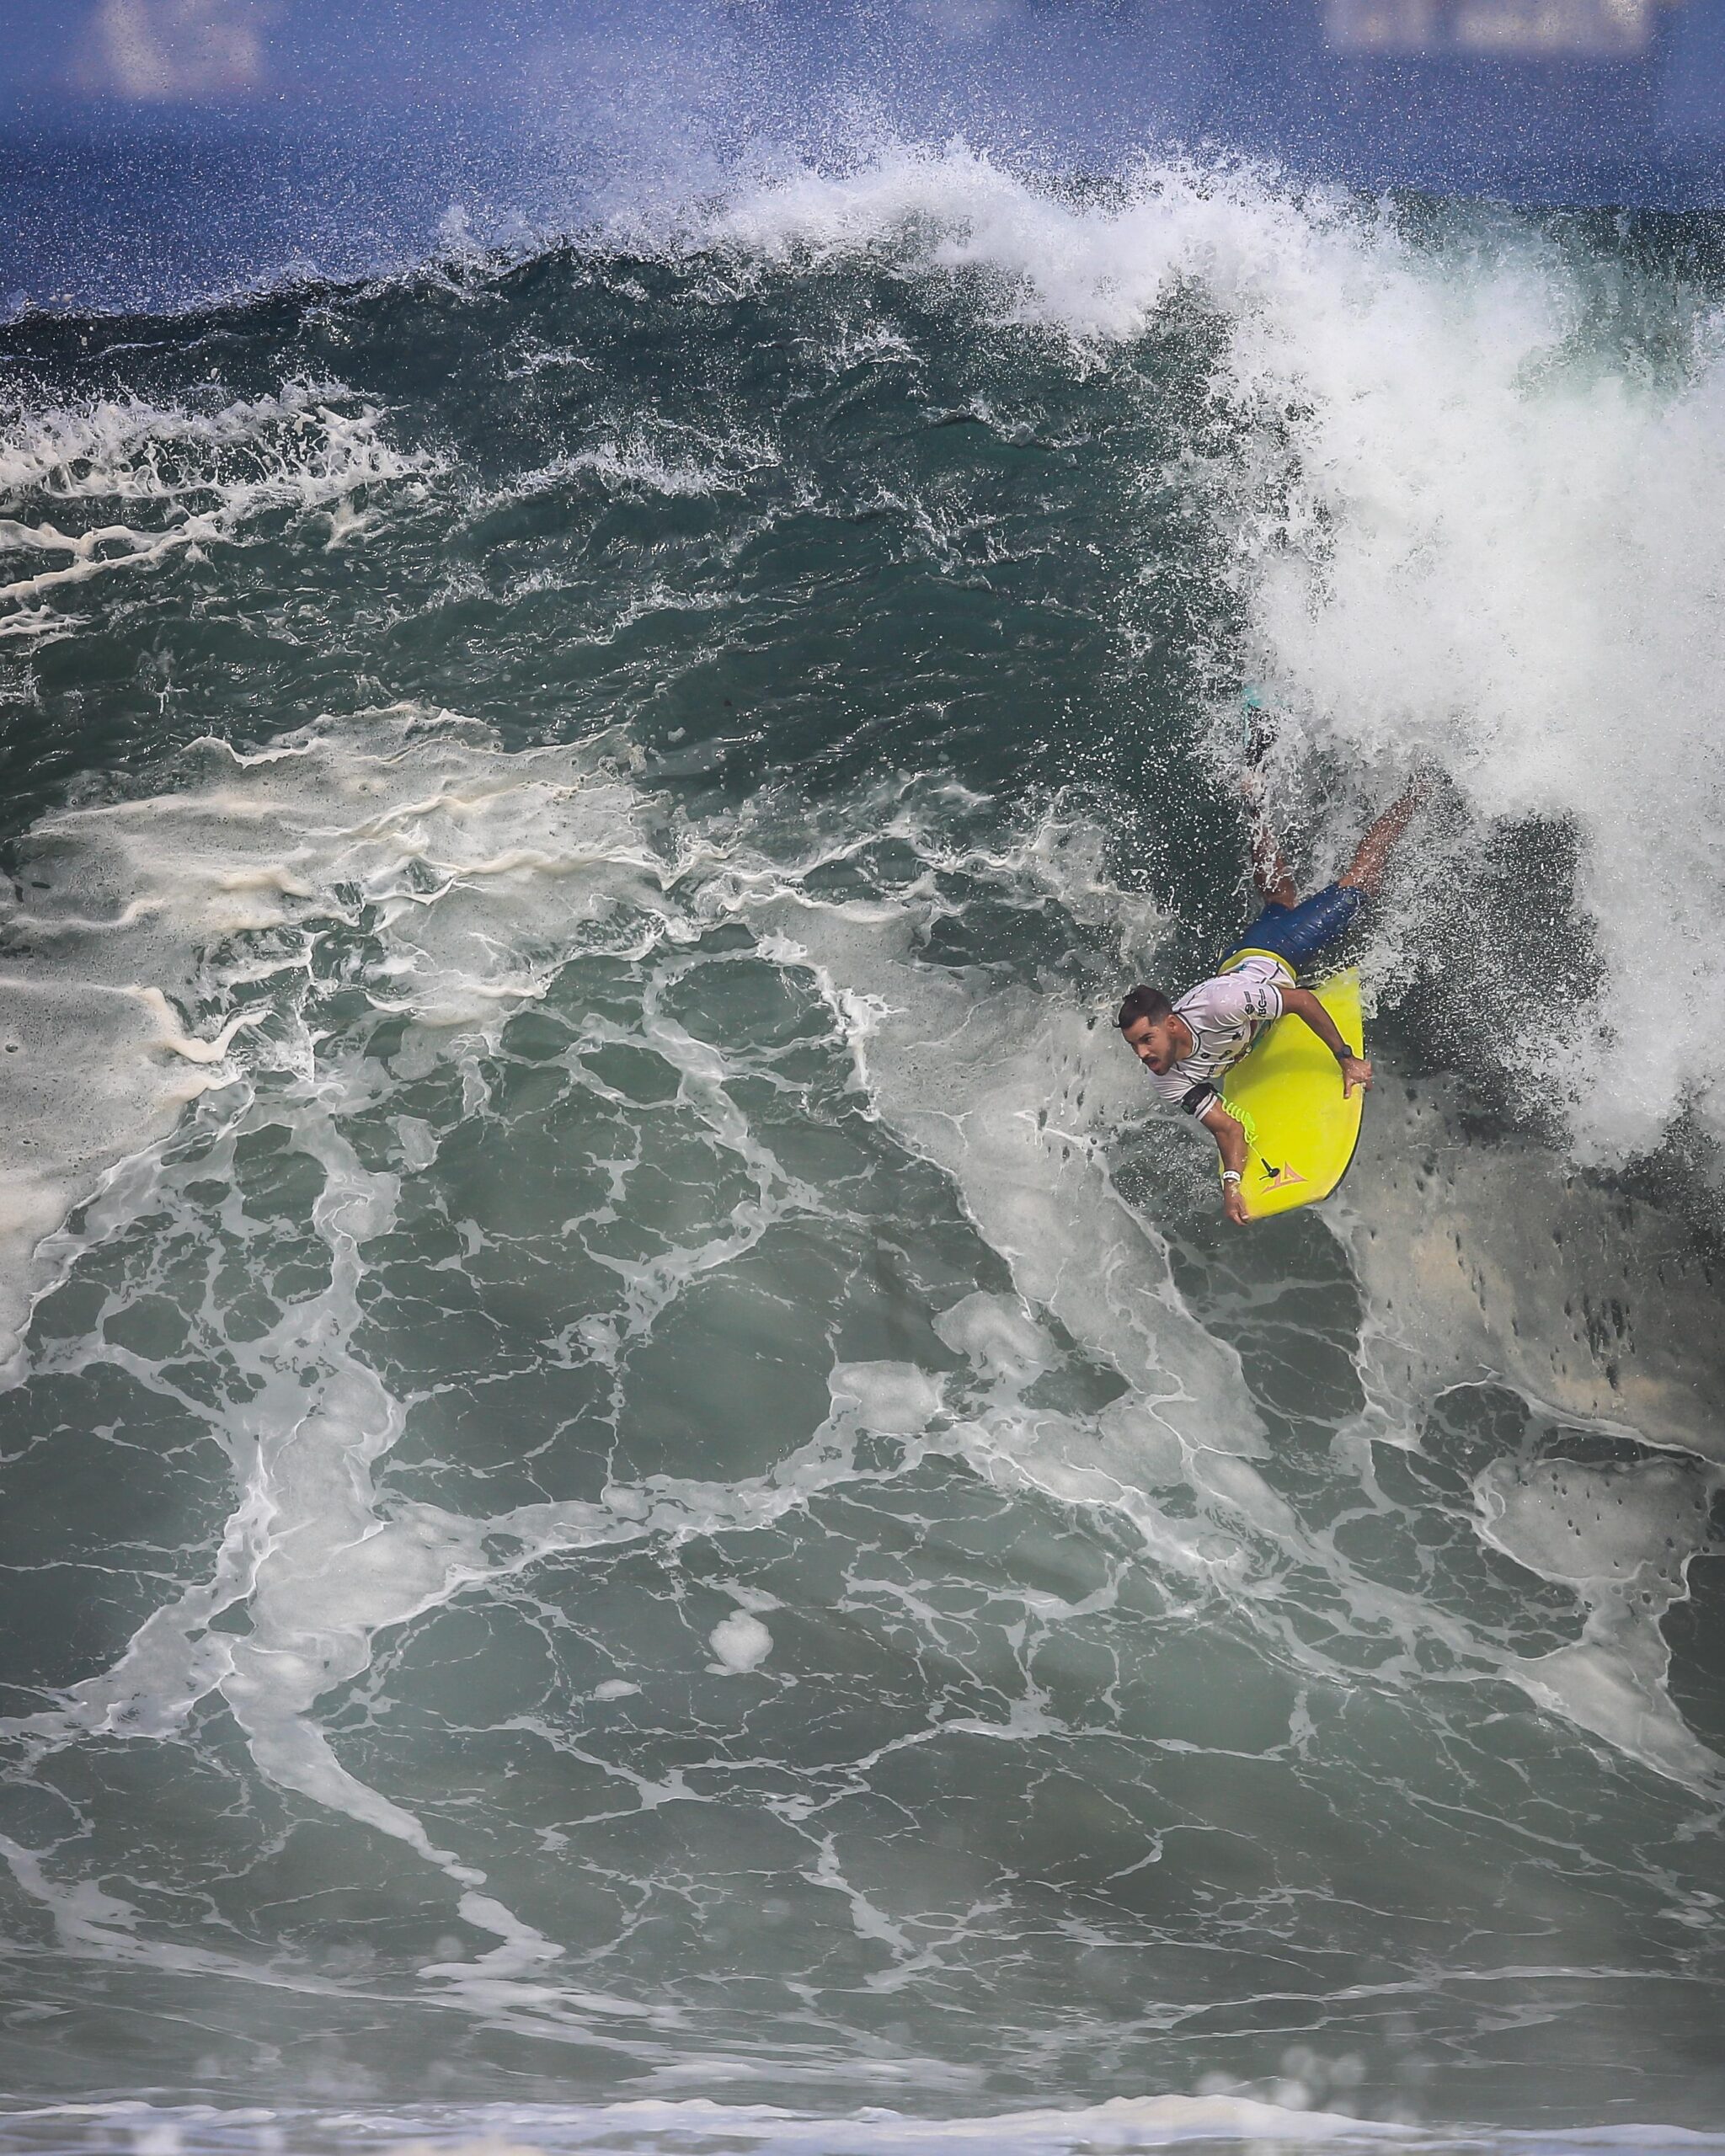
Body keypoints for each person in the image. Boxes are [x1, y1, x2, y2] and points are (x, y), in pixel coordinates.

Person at [1117, 765, 1425, 1226]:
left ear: (1172, 1025)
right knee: (1280, 897)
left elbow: (1299, 1000)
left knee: (1359, 885)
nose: (1143, 1054)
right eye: (1136, 1046)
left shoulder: (1219, 1008)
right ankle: (1255, 794)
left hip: (1280, 955)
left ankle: (1413, 795)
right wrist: (1233, 1186)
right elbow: (1228, 1127)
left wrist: (1344, 1057)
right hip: (1241, 962)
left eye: (1146, 1041)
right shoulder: (1167, 1077)